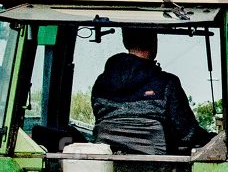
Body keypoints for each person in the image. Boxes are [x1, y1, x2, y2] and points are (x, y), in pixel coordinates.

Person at [90, 27, 211, 156]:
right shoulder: (167, 84)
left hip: (106, 171)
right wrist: (211, 139)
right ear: (155, 41)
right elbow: (187, 135)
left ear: (125, 42)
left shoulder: (101, 84)